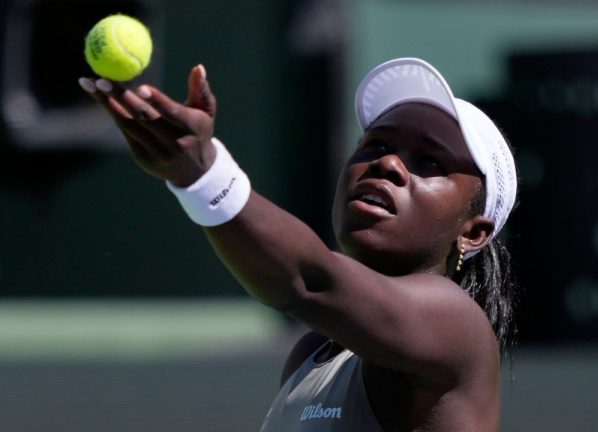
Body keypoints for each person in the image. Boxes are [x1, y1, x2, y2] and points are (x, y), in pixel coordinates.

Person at [79, 57, 518, 432]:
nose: (387, 164)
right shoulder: (313, 352)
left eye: (430, 161)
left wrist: (203, 175)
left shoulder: (454, 324)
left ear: (473, 232)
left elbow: (306, 280)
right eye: (377, 144)